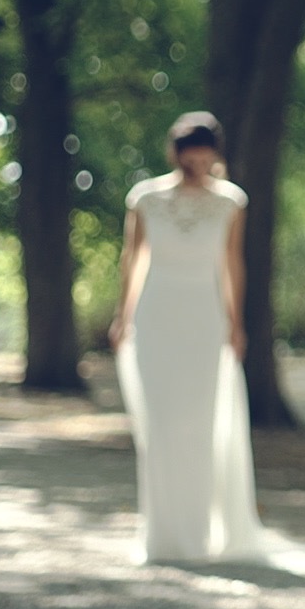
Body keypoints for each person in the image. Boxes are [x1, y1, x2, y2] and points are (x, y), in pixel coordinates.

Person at [109, 111, 267, 564]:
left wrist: (236, 323)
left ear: (213, 154)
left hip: (203, 316)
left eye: (202, 156)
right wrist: (124, 316)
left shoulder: (230, 202)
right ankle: (161, 537)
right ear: (175, 153)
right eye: (187, 155)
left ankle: (198, 538)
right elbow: (132, 259)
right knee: (159, 426)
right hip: (157, 315)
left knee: (198, 426)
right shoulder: (145, 198)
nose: (194, 164)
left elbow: (231, 265)